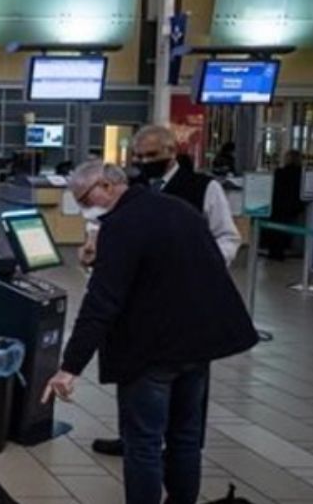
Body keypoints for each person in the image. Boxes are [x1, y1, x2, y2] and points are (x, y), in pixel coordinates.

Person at [44, 161, 258, 504]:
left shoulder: (122, 225)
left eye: (85, 199)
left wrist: (70, 367)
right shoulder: (180, 209)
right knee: (186, 437)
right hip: (197, 345)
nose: (87, 209)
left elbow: (102, 302)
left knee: (142, 443)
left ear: (107, 185)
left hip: (150, 351)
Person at [84, 125, 241, 457]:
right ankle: (133, 435)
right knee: (137, 380)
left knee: (186, 396)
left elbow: (227, 237)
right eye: (138, 156)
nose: (144, 162)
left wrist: (203, 268)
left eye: (151, 156)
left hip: (190, 307)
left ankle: (181, 446)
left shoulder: (203, 188)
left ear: (173, 150)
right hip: (141, 309)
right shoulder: (135, 189)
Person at [264, 150, 305, 260]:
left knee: (275, 230)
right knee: (284, 229)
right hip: (292, 206)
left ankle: (274, 252)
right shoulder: (302, 174)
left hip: (278, 205)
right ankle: (282, 249)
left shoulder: (280, 172)